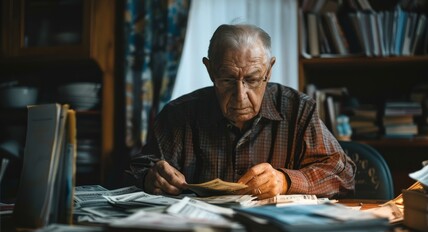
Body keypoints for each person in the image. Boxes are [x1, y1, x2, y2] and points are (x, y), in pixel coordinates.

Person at [128, 24, 355, 200]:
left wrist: (286, 180)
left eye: (253, 79)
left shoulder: (298, 109)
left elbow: (344, 174)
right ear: (210, 70)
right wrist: (150, 177)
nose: (240, 94)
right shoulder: (179, 114)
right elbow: (136, 169)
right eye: (227, 79)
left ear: (269, 70)